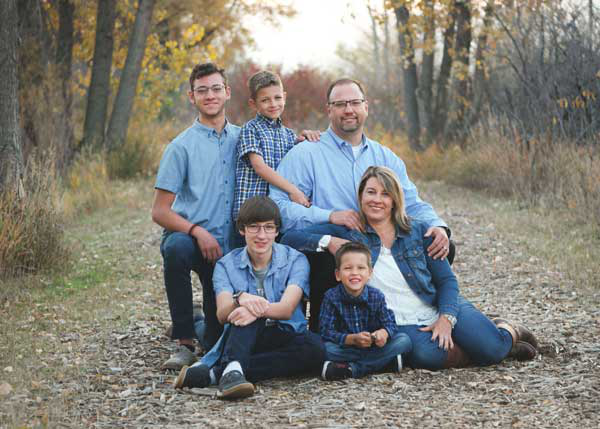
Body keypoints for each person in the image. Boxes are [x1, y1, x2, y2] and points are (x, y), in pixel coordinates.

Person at [282, 166, 539, 369]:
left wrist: (446, 319)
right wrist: (328, 241)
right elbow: (289, 238)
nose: (377, 200)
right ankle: (478, 345)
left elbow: (447, 282)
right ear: (360, 196)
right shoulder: (349, 231)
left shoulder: (417, 230)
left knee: (493, 350)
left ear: (395, 200)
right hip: (398, 320)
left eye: (385, 194)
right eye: (370, 192)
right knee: (427, 356)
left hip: (436, 304)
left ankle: (507, 331)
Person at [270, 77, 452, 332]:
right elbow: (277, 207)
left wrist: (438, 226)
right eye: (340, 103)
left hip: (381, 240)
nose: (348, 110)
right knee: (330, 256)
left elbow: (412, 201)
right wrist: (331, 215)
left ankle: (422, 317)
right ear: (329, 109)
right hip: (332, 244)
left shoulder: (385, 156)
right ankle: (327, 332)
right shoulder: (306, 153)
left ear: (366, 107)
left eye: (355, 102)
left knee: (438, 245)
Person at [173, 196, 324, 399]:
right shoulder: (226, 265)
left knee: (316, 350)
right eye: (254, 227)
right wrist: (240, 300)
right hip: (243, 334)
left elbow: (286, 309)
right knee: (243, 316)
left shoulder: (295, 260)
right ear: (242, 229)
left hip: (283, 334)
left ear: (277, 231)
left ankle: (216, 373)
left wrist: (252, 306)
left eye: (268, 227)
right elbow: (222, 315)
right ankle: (232, 371)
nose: (262, 235)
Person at [152, 63, 239, 370]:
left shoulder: (244, 140)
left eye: (216, 89)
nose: (210, 95)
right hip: (194, 242)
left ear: (227, 92)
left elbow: (280, 143)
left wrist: (308, 137)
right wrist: (198, 232)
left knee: (218, 341)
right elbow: (160, 211)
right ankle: (184, 341)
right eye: (202, 90)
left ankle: (199, 320)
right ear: (192, 97)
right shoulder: (180, 147)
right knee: (175, 248)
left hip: (230, 251)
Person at [320, 241, 412, 381]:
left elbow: (390, 324)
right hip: (346, 348)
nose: (354, 273)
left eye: (361, 268)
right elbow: (326, 331)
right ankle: (382, 364)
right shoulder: (331, 297)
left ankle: (352, 369)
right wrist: (351, 339)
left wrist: (383, 333)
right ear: (338, 274)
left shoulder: (376, 296)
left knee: (404, 341)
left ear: (369, 273)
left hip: (373, 347)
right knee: (324, 349)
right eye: (348, 268)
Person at [233, 70, 316, 224]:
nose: (273, 104)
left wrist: (305, 140)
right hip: (251, 213)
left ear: (284, 97)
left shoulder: (289, 135)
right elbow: (259, 167)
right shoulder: (251, 129)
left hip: (276, 213)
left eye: (277, 98)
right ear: (253, 103)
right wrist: (293, 190)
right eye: (265, 100)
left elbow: (293, 164)